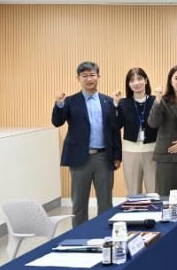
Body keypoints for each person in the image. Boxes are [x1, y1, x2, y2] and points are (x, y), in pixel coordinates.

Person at [51, 61, 121, 226]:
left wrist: (117, 155)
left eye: (92, 75)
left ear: (98, 76)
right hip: (79, 158)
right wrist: (59, 104)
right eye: (85, 76)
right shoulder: (70, 101)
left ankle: (104, 233)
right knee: (79, 203)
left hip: (104, 157)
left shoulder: (108, 101)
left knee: (106, 203)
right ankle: (79, 236)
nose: (89, 79)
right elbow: (57, 122)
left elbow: (115, 129)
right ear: (78, 78)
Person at [147, 65, 177, 196]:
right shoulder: (162, 101)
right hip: (166, 156)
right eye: (176, 78)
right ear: (170, 81)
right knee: (164, 198)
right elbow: (153, 123)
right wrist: (157, 100)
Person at [113, 67, 157, 195]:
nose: (136, 83)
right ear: (128, 84)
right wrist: (115, 105)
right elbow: (116, 126)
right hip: (130, 152)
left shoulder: (155, 101)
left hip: (153, 151)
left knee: (154, 191)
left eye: (139, 79)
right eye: (132, 80)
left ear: (146, 81)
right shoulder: (123, 103)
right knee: (133, 192)